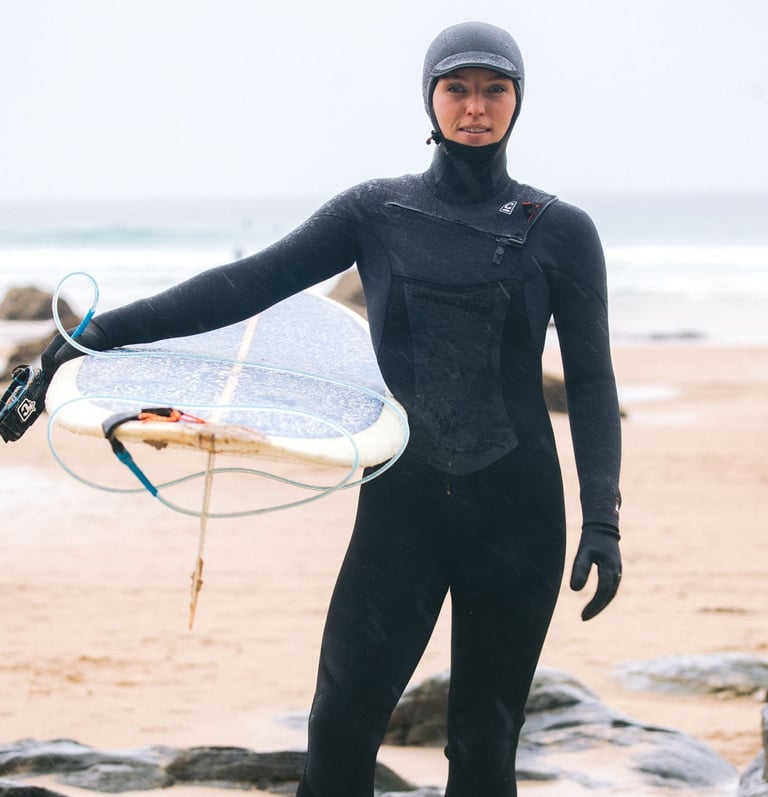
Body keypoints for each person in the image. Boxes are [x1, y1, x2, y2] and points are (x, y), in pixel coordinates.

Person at [27, 20, 622, 797]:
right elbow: (245, 285)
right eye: (457, 88)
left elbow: (592, 382)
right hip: (404, 509)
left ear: (518, 101)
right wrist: (93, 335)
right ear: (430, 98)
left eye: (494, 90)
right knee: (339, 727)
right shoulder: (377, 212)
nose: (475, 107)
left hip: (519, 515)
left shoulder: (561, 231)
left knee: (485, 743)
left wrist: (603, 518)